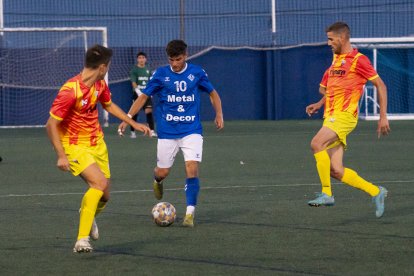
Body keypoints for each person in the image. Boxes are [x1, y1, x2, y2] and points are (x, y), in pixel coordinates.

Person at [46, 44, 150, 253]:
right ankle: (81, 240)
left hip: (97, 144)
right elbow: (51, 124)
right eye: (108, 65)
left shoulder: (100, 84)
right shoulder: (70, 90)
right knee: (99, 183)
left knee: (104, 196)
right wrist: (60, 156)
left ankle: (88, 212)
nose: (108, 68)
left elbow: (108, 105)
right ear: (102, 67)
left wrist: (132, 122)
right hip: (74, 146)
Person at [118, 40, 224, 227]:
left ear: (186, 55)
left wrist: (219, 114)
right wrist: (127, 118)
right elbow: (143, 97)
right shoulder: (160, 74)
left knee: (191, 167)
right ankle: (157, 180)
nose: (174, 63)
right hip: (167, 131)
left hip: (191, 129)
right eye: (171, 60)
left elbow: (213, 93)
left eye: (178, 59)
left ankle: (189, 213)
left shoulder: (197, 73)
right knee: (163, 171)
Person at [305, 22, 391, 218]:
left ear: (342, 38)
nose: (328, 43)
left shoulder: (359, 60)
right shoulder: (336, 59)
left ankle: (327, 194)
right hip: (330, 117)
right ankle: (376, 191)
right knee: (336, 170)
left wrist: (383, 117)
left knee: (316, 144)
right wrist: (320, 103)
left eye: (331, 39)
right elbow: (335, 88)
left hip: (344, 117)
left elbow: (381, 86)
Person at [129, 51, 157, 138]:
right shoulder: (134, 70)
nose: (141, 59)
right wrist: (138, 91)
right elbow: (133, 82)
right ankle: (132, 132)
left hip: (147, 94)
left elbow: (151, 81)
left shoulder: (148, 69)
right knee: (135, 112)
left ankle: (152, 131)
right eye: (139, 58)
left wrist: (151, 91)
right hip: (137, 94)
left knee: (149, 111)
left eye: (143, 58)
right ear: (137, 59)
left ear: (146, 59)